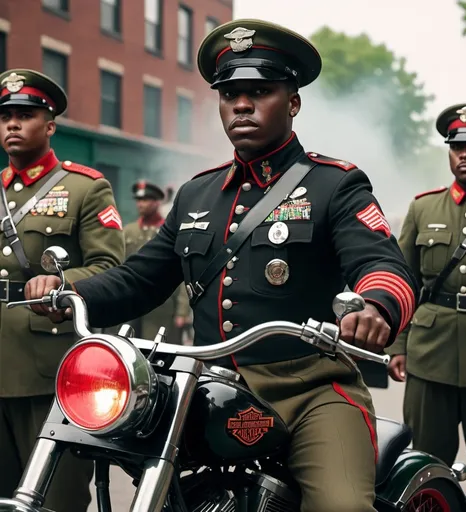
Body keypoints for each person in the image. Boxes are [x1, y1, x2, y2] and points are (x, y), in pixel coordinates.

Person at [25, 21, 417, 511]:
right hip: (212, 388)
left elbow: (382, 262)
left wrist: (376, 309)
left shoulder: (334, 184)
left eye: (261, 91)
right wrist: (74, 295)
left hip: (312, 391)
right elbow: (140, 279)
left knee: (341, 505)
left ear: (293, 102)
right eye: (230, 94)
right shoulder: (197, 194)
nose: (242, 105)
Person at [0, 69, 125, 510]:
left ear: (50, 126)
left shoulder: (84, 188)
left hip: (50, 372)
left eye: (26, 115)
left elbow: (111, 268)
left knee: (56, 500)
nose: (12, 124)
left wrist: (62, 282)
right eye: (6, 116)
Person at [387, 103, 466, 511]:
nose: (465, 154)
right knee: (422, 469)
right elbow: (402, 281)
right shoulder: (424, 208)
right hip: (430, 355)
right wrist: (397, 345)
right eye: (457, 146)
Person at [109, 180, 192, 343]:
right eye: (139, 200)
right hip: (132, 302)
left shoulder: (169, 232)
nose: (141, 204)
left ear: (157, 202)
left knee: (160, 352)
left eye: (146, 200)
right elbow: (119, 265)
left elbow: (183, 272)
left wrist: (182, 311)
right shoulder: (128, 231)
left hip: (163, 307)